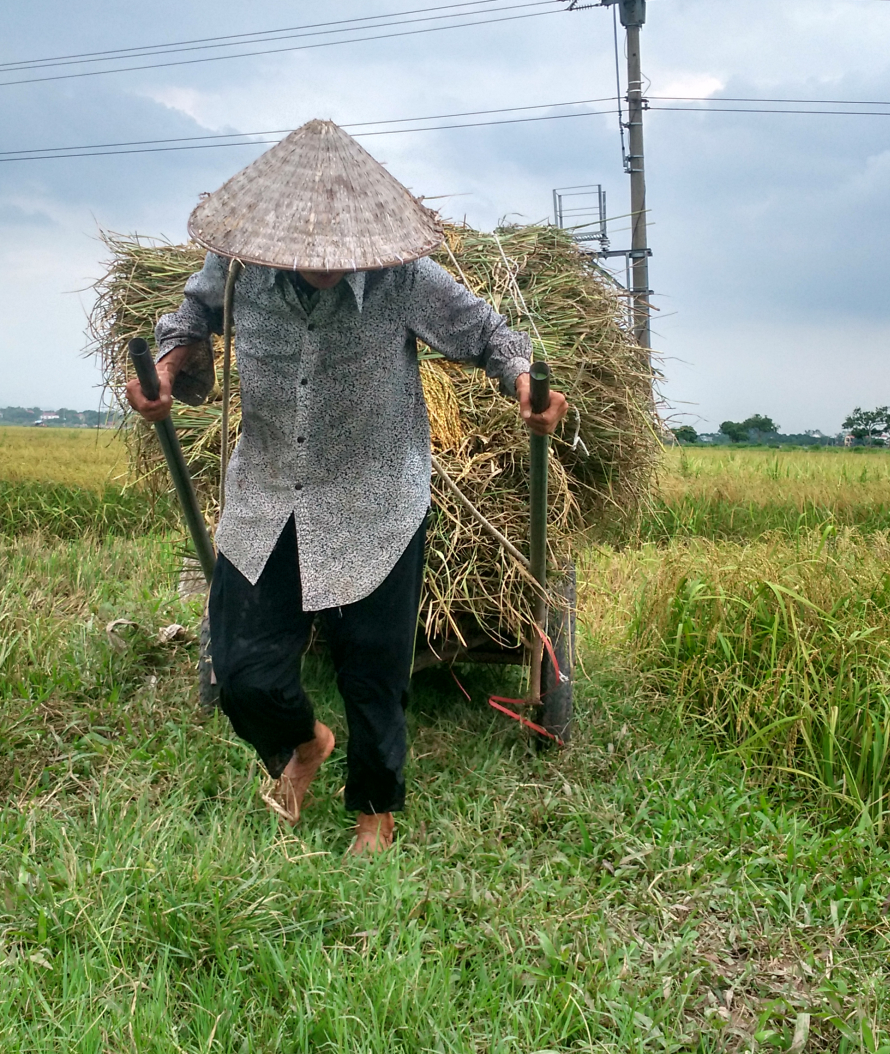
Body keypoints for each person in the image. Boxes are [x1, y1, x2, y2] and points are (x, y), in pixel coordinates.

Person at [126, 119, 567, 855]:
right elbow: (192, 313)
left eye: (340, 254)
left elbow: (491, 334)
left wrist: (526, 384)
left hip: (374, 496)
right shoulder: (237, 271)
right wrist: (169, 367)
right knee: (241, 673)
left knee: (373, 673)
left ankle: (374, 812)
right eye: (309, 253)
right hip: (267, 491)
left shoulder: (402, 279)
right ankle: (304, 745)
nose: (326, 265)